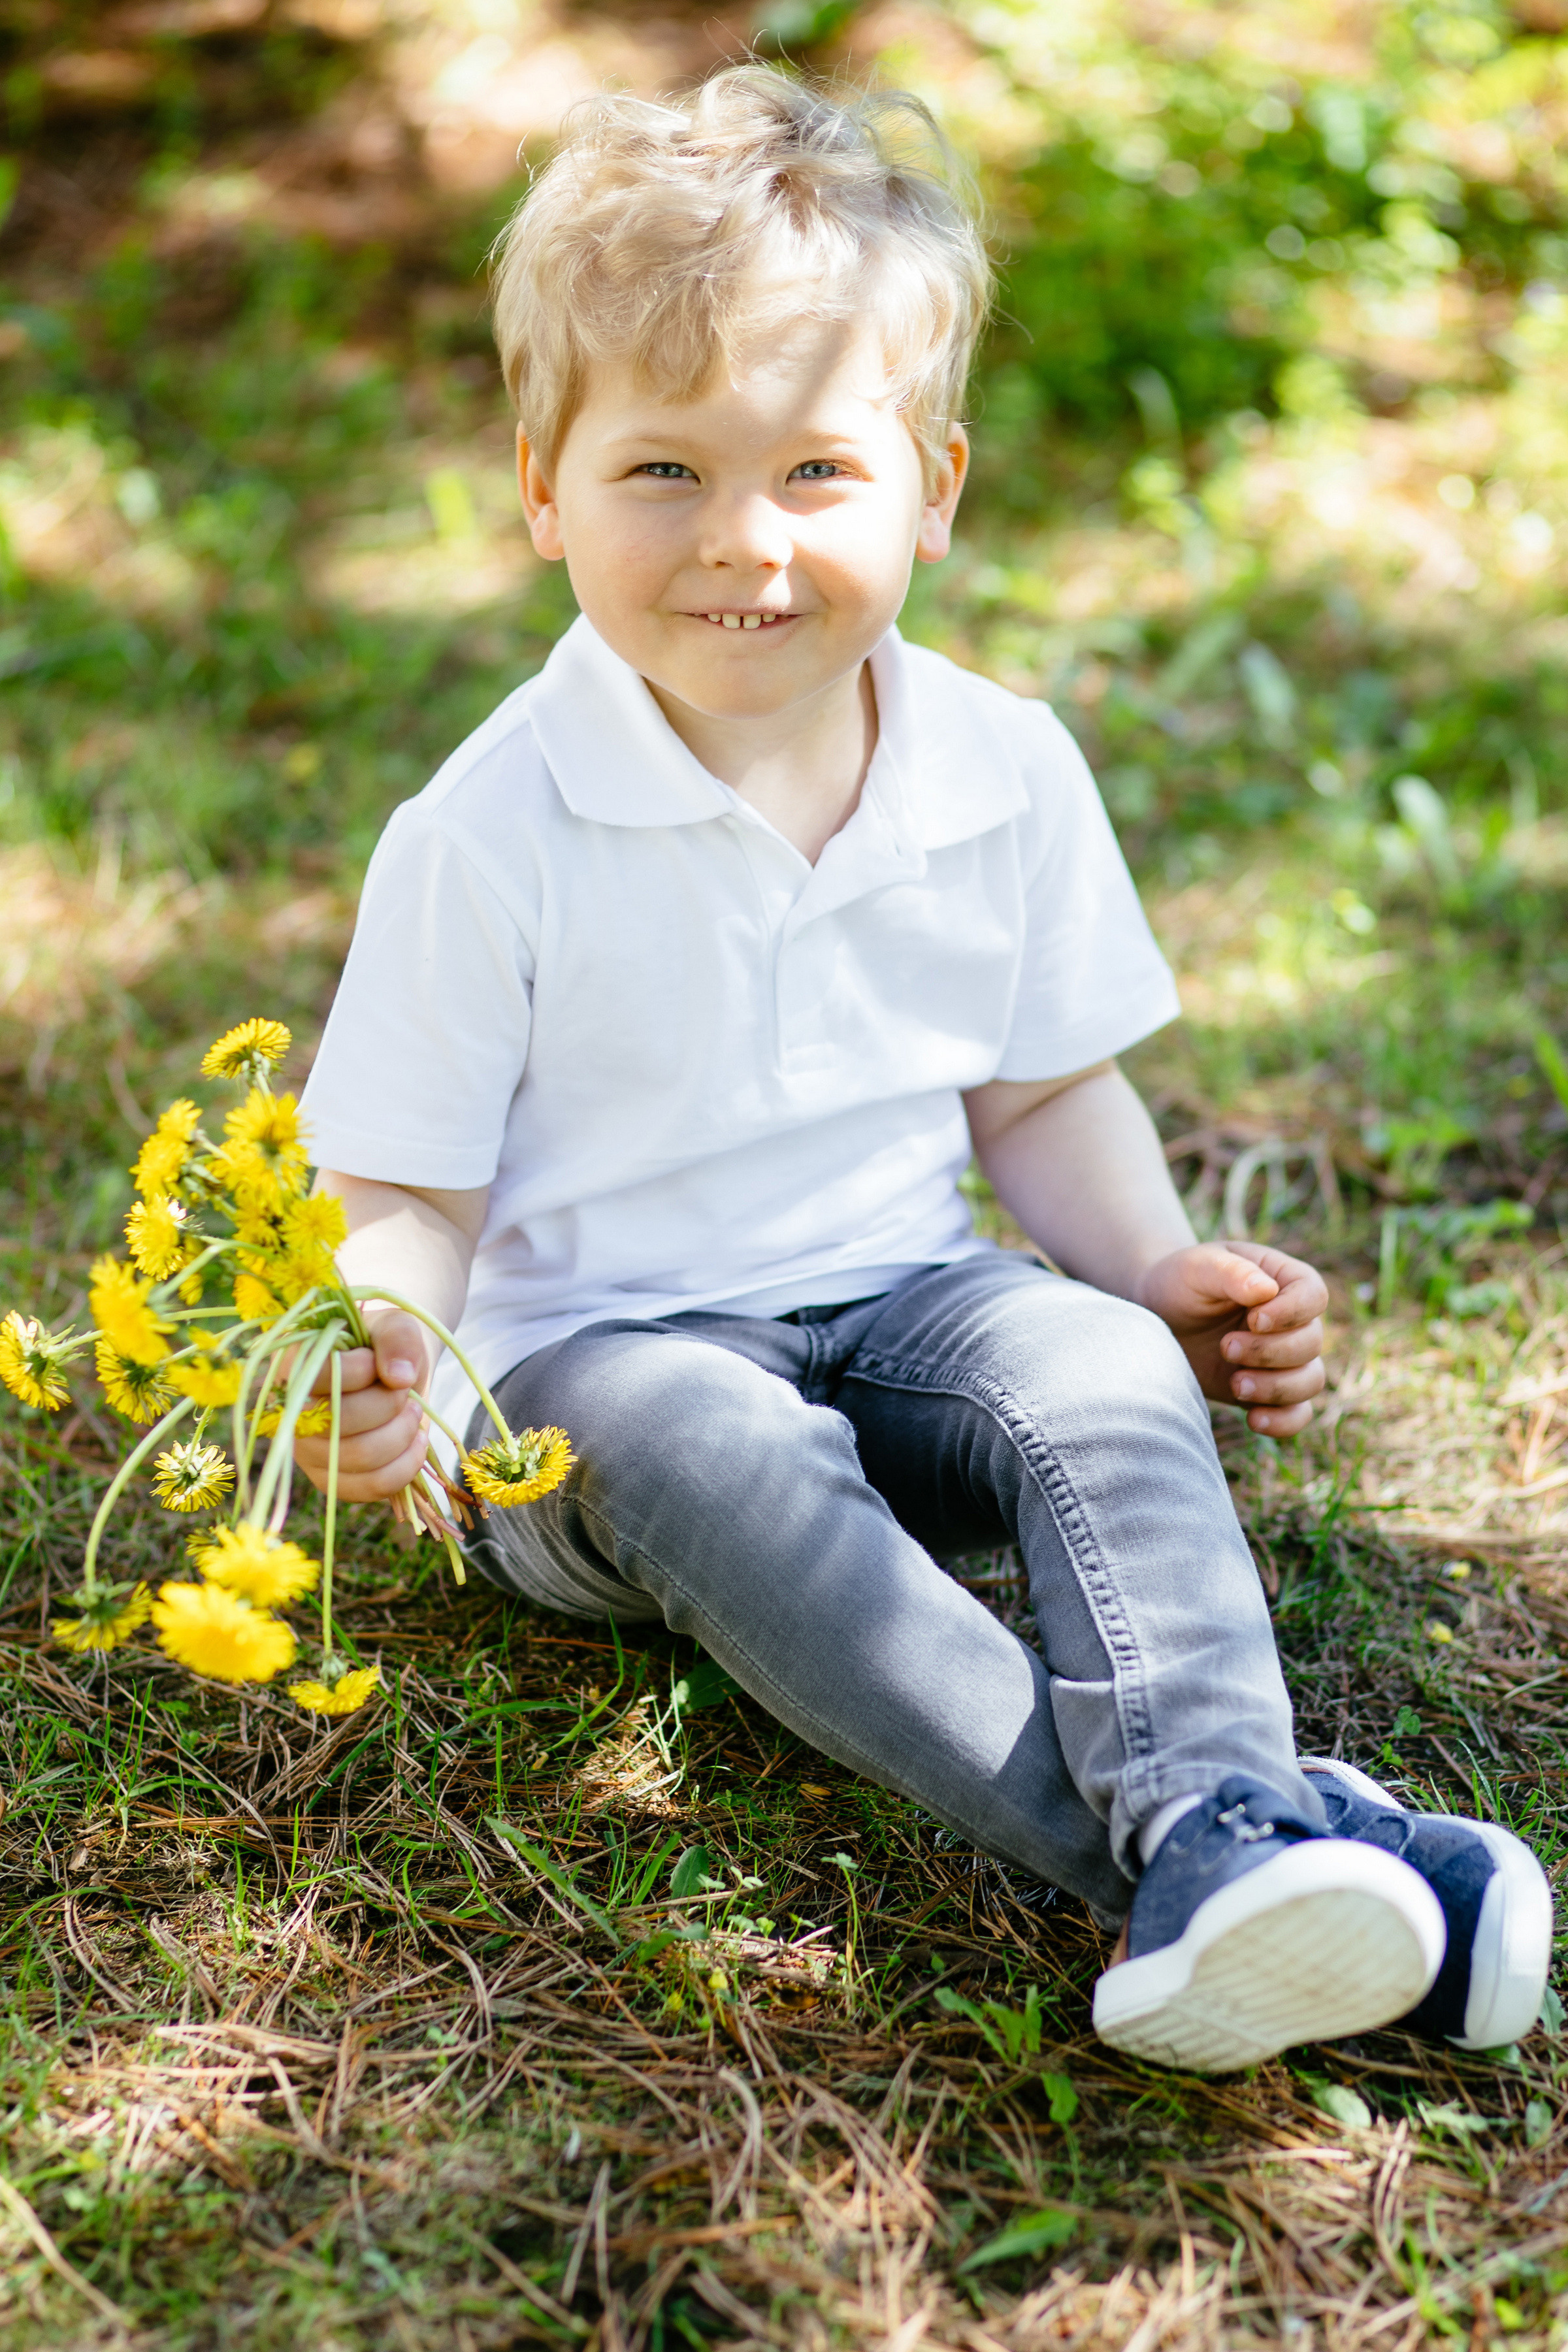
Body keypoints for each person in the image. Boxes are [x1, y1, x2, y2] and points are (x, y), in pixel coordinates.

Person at [294, 66, 1550, 2072]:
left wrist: (1153, 1275)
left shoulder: (999, 767)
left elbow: (1039, 1094)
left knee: (1088, 1363)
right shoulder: (490, 828)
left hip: (898, 1321)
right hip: (602, 1399)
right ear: (544, 488)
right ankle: (1262, 1857)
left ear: (934, 488)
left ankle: (1237, 1835)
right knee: (705, 1435)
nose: (746, 545)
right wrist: (380, 1351)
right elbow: (412, 1188)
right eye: (662, 476)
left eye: (816, 475)